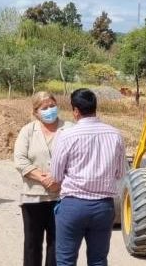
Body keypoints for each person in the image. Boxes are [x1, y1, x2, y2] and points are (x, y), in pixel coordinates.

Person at [51, 89, 125, 266]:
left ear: (75, 111)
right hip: (103, 208)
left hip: (73, 207)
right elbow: (120, 173)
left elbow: (55, 175)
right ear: (95, 107)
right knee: (98, 261)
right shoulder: (115, 135)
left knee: (65, 260)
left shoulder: (66, 135)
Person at [14, 91, 73, 266]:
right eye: (44, 108)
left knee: (56, 245)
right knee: (32, 245)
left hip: (61, 198)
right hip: (33, 198)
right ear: (35, 112)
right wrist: (43, 178)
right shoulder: (28, 131)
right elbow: (20, 160)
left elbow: (78, 160)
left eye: (52, 106)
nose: (49, 110)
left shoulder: (70, 129)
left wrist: (59, 180)